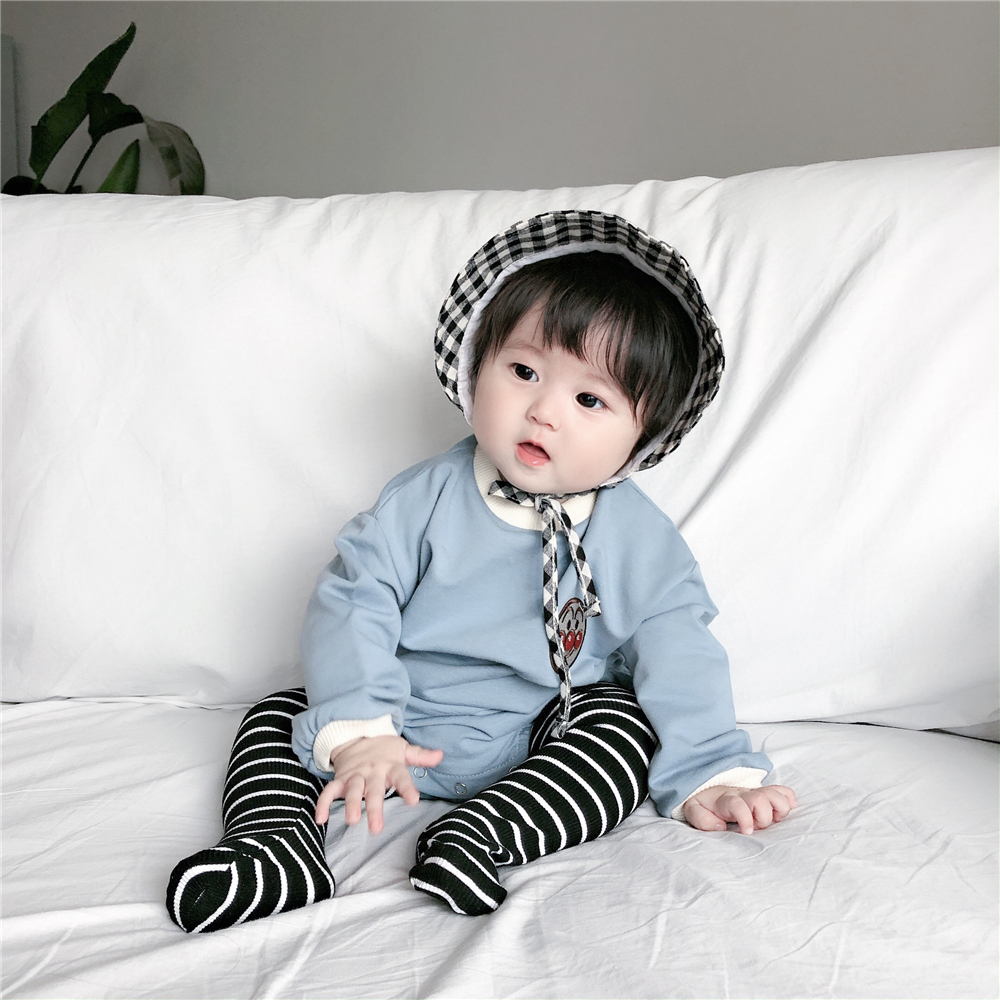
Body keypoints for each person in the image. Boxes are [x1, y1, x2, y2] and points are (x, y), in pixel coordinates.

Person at [166, 211, 796, 932]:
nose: (543, 411)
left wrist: (712, 769)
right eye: (524, 372)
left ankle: (481, 835)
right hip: (393, 724)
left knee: (622, 724)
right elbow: (355, 599)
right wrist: (362, 727)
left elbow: (682, 653)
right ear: (475, 369)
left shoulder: (639, 540)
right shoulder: (424, 499)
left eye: (589, 399)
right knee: (277, 716)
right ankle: (274, 850)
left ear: (644, 437)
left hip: (533, 735)